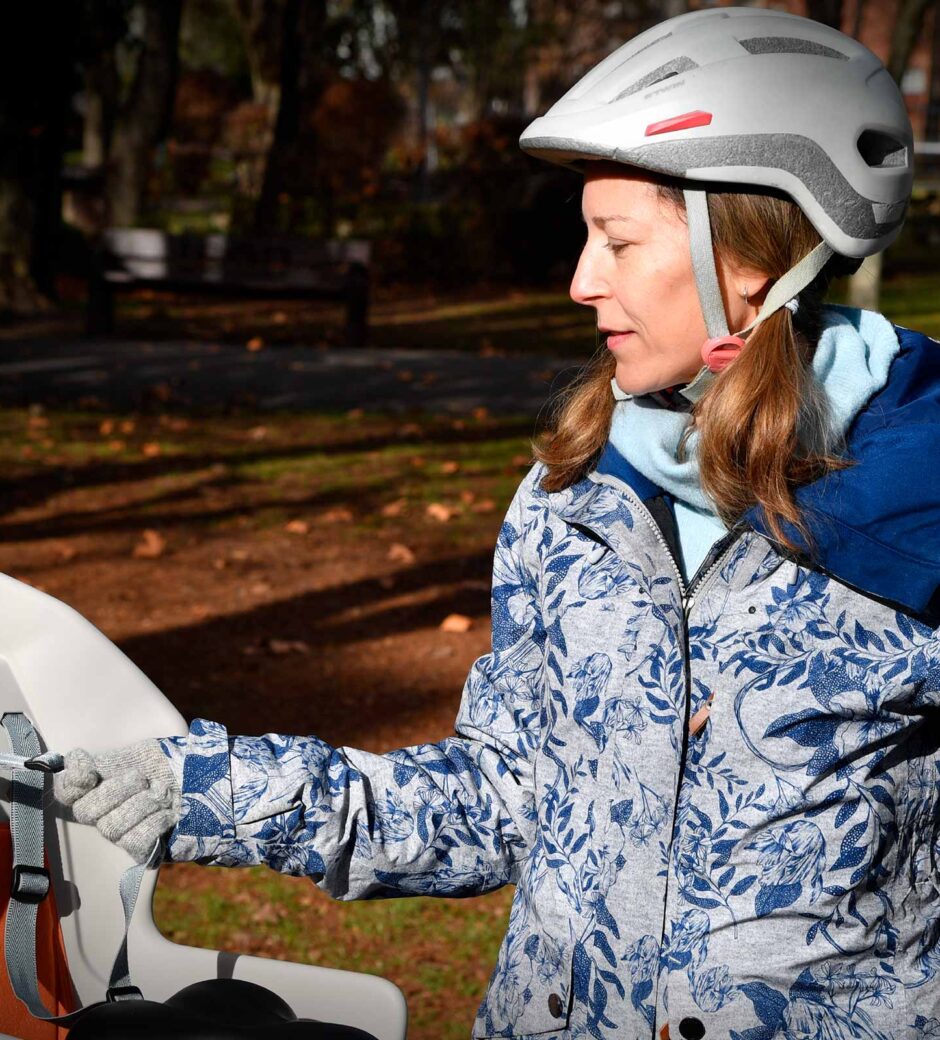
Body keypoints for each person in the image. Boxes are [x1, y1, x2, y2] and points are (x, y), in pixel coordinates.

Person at [55, 7, 940, 1039]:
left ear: (744, 258)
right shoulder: (573, 496)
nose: (580, 281)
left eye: (616, 240)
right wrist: (208, 790)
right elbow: (501, 792)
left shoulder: (914, 504)